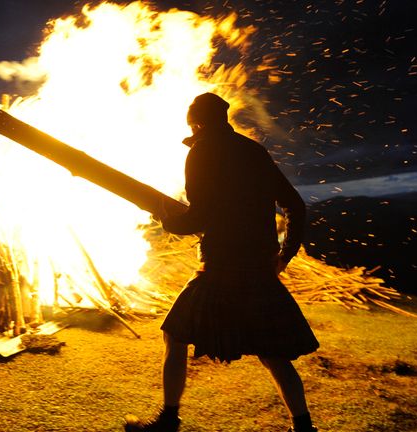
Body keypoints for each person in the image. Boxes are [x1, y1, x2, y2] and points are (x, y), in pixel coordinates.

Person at [124, 93, 320, 432]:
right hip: (259, 269)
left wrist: (168, 220)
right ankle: (303, 428)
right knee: (273, 354)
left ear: (196, 123)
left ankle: (169, 421)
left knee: (174, 333)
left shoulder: (201, 153)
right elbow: (296, 206)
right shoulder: (253, 151)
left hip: (220, 269)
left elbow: (199, 217)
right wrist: (283, 257)